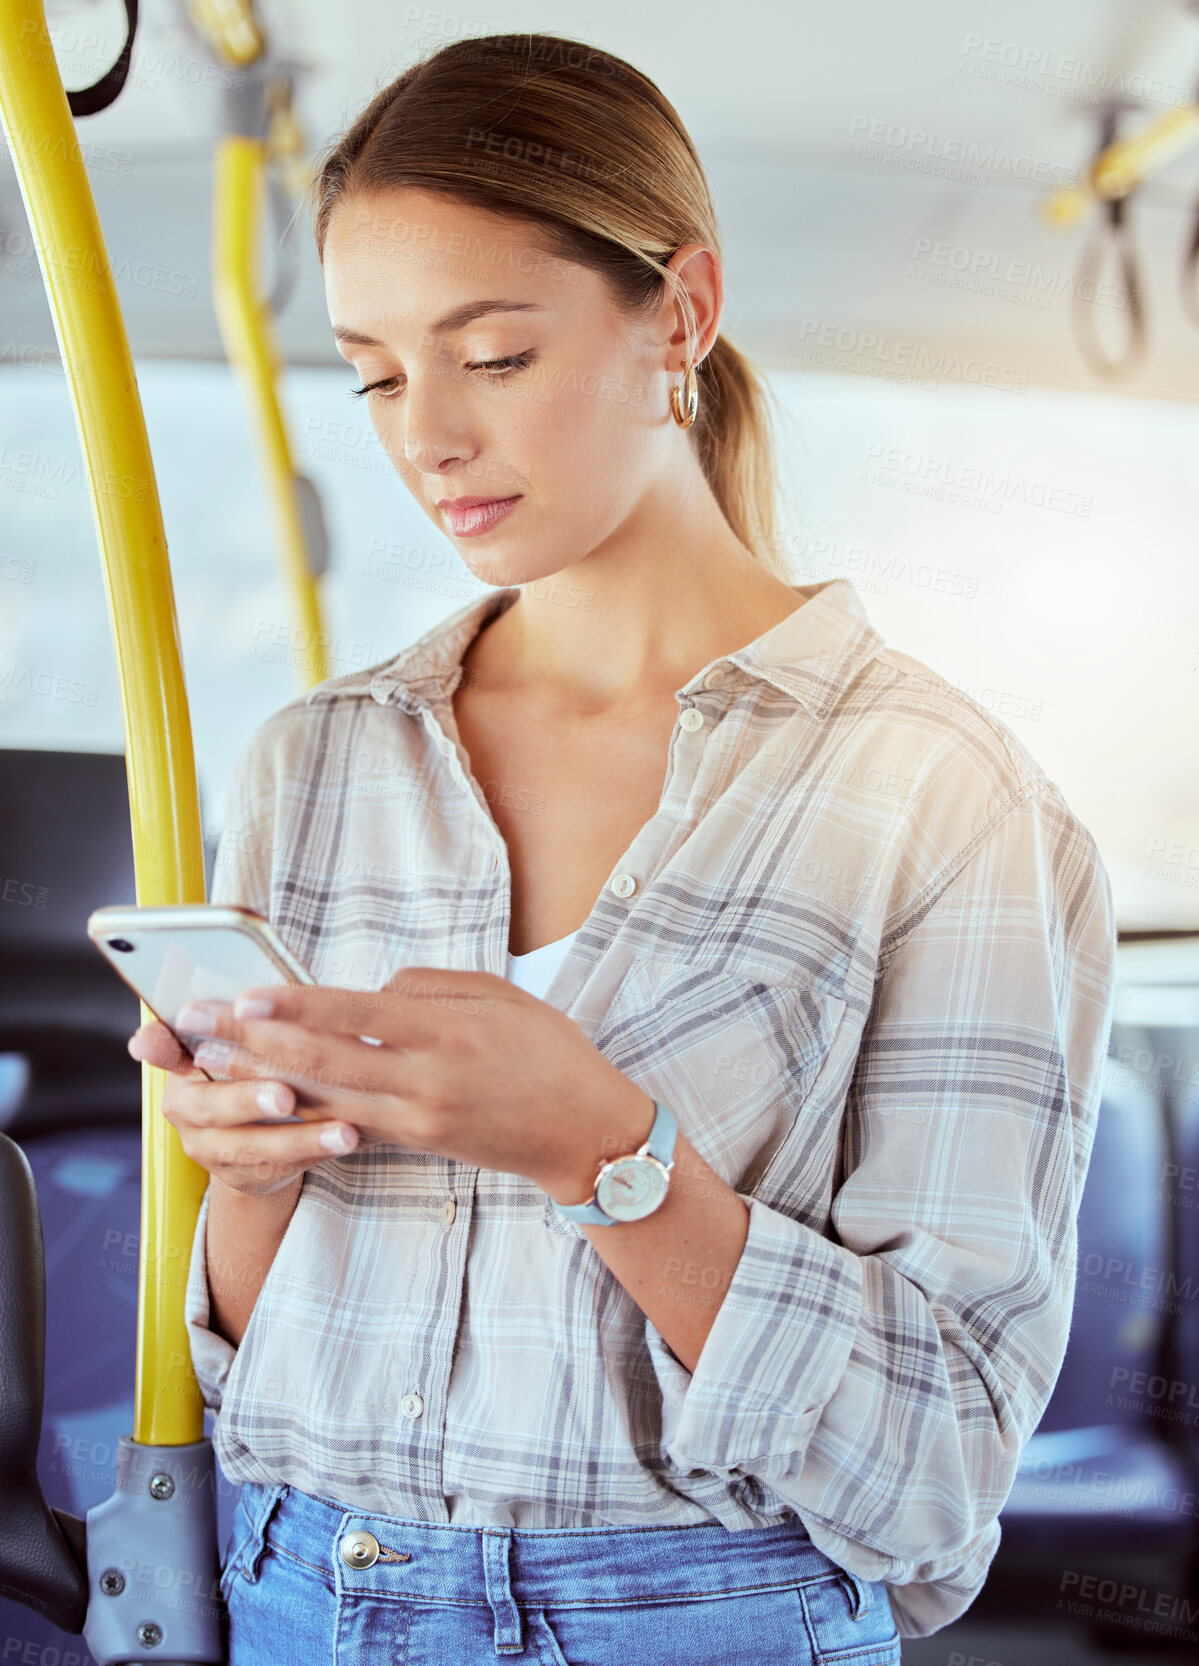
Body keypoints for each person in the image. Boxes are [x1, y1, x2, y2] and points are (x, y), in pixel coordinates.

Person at [128, 31, 1117, 1665]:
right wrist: (243, 1169)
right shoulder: (317, 761)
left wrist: (607, 1153)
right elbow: (244, 1362)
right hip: (302, 1588)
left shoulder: (944, 797)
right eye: (375, 372)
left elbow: (937, 1465)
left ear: (682, 313)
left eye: (494, 355)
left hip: (709, 1619)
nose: (423, 437)